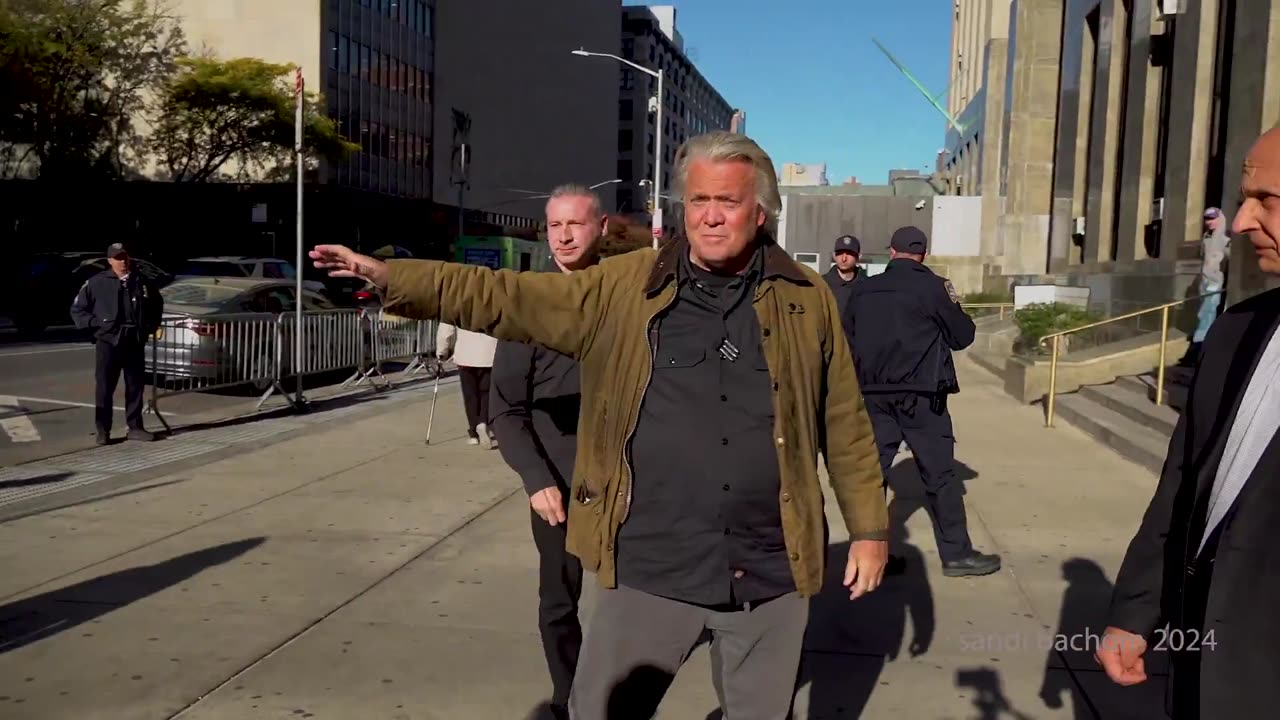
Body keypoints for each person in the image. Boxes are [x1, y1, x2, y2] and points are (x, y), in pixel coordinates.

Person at [310, 131, 889, 719]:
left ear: (761, 211)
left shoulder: (806, 296)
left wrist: (869, 528)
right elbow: (507, 296)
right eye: (698, 201)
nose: (711, 217)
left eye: (729, 202)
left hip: (770, 570)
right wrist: (392, 277)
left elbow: (843, 421)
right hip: (650, 566)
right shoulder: (623, 285)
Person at [1097, 128, 1280, 719]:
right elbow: (1181, 486)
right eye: (1243, 197)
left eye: (1267, 200)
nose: (1243, 221)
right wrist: (1136, 611)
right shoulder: (1236, 330)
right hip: (1200, 664)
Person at [488, 184, 607, 720]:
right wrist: (536, 480)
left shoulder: (625, 299)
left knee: (645, 598)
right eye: (555, 225)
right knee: (560, 600)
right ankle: (570, 697)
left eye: (575, 224)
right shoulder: (528, 308)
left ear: (600, 229)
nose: (563, 235)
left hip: (630, 479)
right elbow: (506, 411)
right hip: (557, 483)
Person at [845, 226, 1000, 577]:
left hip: (873, 395)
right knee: (940, 476)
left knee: (872, 476)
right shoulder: (934, 287)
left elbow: (846, 339)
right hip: (921, 396)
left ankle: (870, 555)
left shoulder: (863, 289)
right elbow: (963, 337)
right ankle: (957, 555)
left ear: (891, 251)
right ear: (923, 254)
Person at [69, 242, 162, 445]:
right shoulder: (96, 282)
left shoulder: (141, 282)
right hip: (108, 341)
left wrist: (149, 327)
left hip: (134, 341)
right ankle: (103, 431)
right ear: (110, 260)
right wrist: (96, 326)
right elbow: (78, 310)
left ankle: (135, 427)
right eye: (118, 258)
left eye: (125, 257)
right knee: (104, 388)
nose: (123, 261)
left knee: (135, 386)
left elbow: (156, 306)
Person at [1180, 207, 1231, 366]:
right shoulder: (1206, 238)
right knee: (1203, 316)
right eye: (1207, 219)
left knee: (1206, 317)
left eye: (1213, 218)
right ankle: (1198, 352)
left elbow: (1230, 262)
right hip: (1205, 282)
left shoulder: (1225, 239)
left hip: (1215, 284)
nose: (1209, 222)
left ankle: (1197, 352)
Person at [436, 322, 497, 448]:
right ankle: (483, 422)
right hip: (489, 354)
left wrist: (442, 351)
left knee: (470, 395)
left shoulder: (455, 302)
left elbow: (446, 330)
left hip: (466, 354)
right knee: (486, 392)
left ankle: (474, 433)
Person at [823, 233, 864, 319]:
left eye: (849, 253)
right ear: (834, 255)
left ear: (859, 257)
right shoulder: (822, 284)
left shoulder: (866, 286)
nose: (844, 258)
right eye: (840, 253)